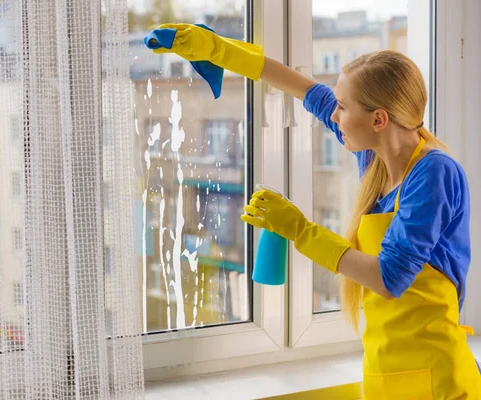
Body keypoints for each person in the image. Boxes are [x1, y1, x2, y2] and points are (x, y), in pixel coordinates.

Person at [147, 23, 481, 399]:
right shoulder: (373, 160)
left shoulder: (434, 173)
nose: (334, 117)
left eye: (342, 106)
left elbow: (390, 279)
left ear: (378, 119)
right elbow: (305, 89)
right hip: (387, 375)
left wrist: (301, 230)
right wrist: (217, 49)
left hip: (439, 383)